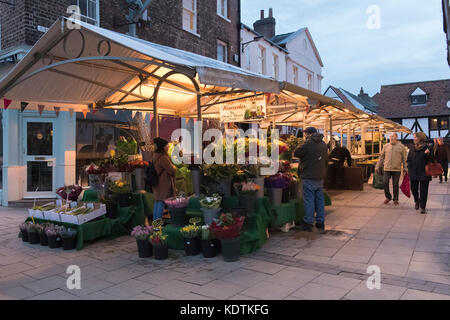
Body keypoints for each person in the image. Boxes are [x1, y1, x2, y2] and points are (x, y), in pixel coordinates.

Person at [294, 127, 328, 231]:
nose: (304, 136)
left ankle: (308, 222)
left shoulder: (308, 143)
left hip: (309, 175)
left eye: (305, 134)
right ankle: (320, 222)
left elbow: (296, 152)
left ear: (309, 134)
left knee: (309, 199)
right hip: (320, 175)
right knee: (319, 199)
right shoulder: (323, 144)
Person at [376, 133, 407, 205]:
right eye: (390, 136)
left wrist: (406, 168)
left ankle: (395, 199)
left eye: (392, 136)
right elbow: (381, 157)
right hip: (386, 168)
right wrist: (378, 166)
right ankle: (388, 197)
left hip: (397, 169)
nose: (391, 138)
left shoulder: (401, 147)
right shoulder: (386, 146)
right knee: (385, 182)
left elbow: (404, 159)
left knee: (395, 184)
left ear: (396, 137)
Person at [407, 132, 433, 214]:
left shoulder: (427, 147)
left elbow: (432, 160)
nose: (414, 139)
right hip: (413, 172)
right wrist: (408, 167)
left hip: (424, 172)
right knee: (413, 189)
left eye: (415, 137)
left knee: (424, 191)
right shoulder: (412, 147)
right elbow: (409, 159)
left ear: (420, 138)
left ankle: (423, 207)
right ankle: (417, 201)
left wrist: (428, 154)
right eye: (414, 137)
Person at [151, 137, 177, 221]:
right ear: (162, 147)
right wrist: (174, 167)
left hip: (157, 182)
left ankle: (155, 222)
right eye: (167, 146)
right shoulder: (163, 158)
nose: (168, 147)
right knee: (161, 202)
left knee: (158, 202)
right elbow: (171, 170)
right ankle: (158, 223)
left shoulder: (154, 155)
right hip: (163, 184)